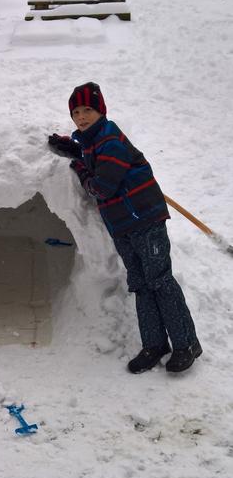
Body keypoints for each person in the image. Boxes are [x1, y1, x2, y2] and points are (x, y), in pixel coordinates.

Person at [48, 82, 202, 374]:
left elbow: (102, 186)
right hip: (123, 226)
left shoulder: (111, 140)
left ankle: (187, 344)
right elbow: (94, 159)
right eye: (76, 112)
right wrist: (76, 150)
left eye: (87, 110)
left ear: (101, 110)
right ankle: (154, 345)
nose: (81, 117)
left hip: (145, 220)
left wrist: (80, 169)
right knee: (141, 284)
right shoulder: (93, 142)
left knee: (160, 281)